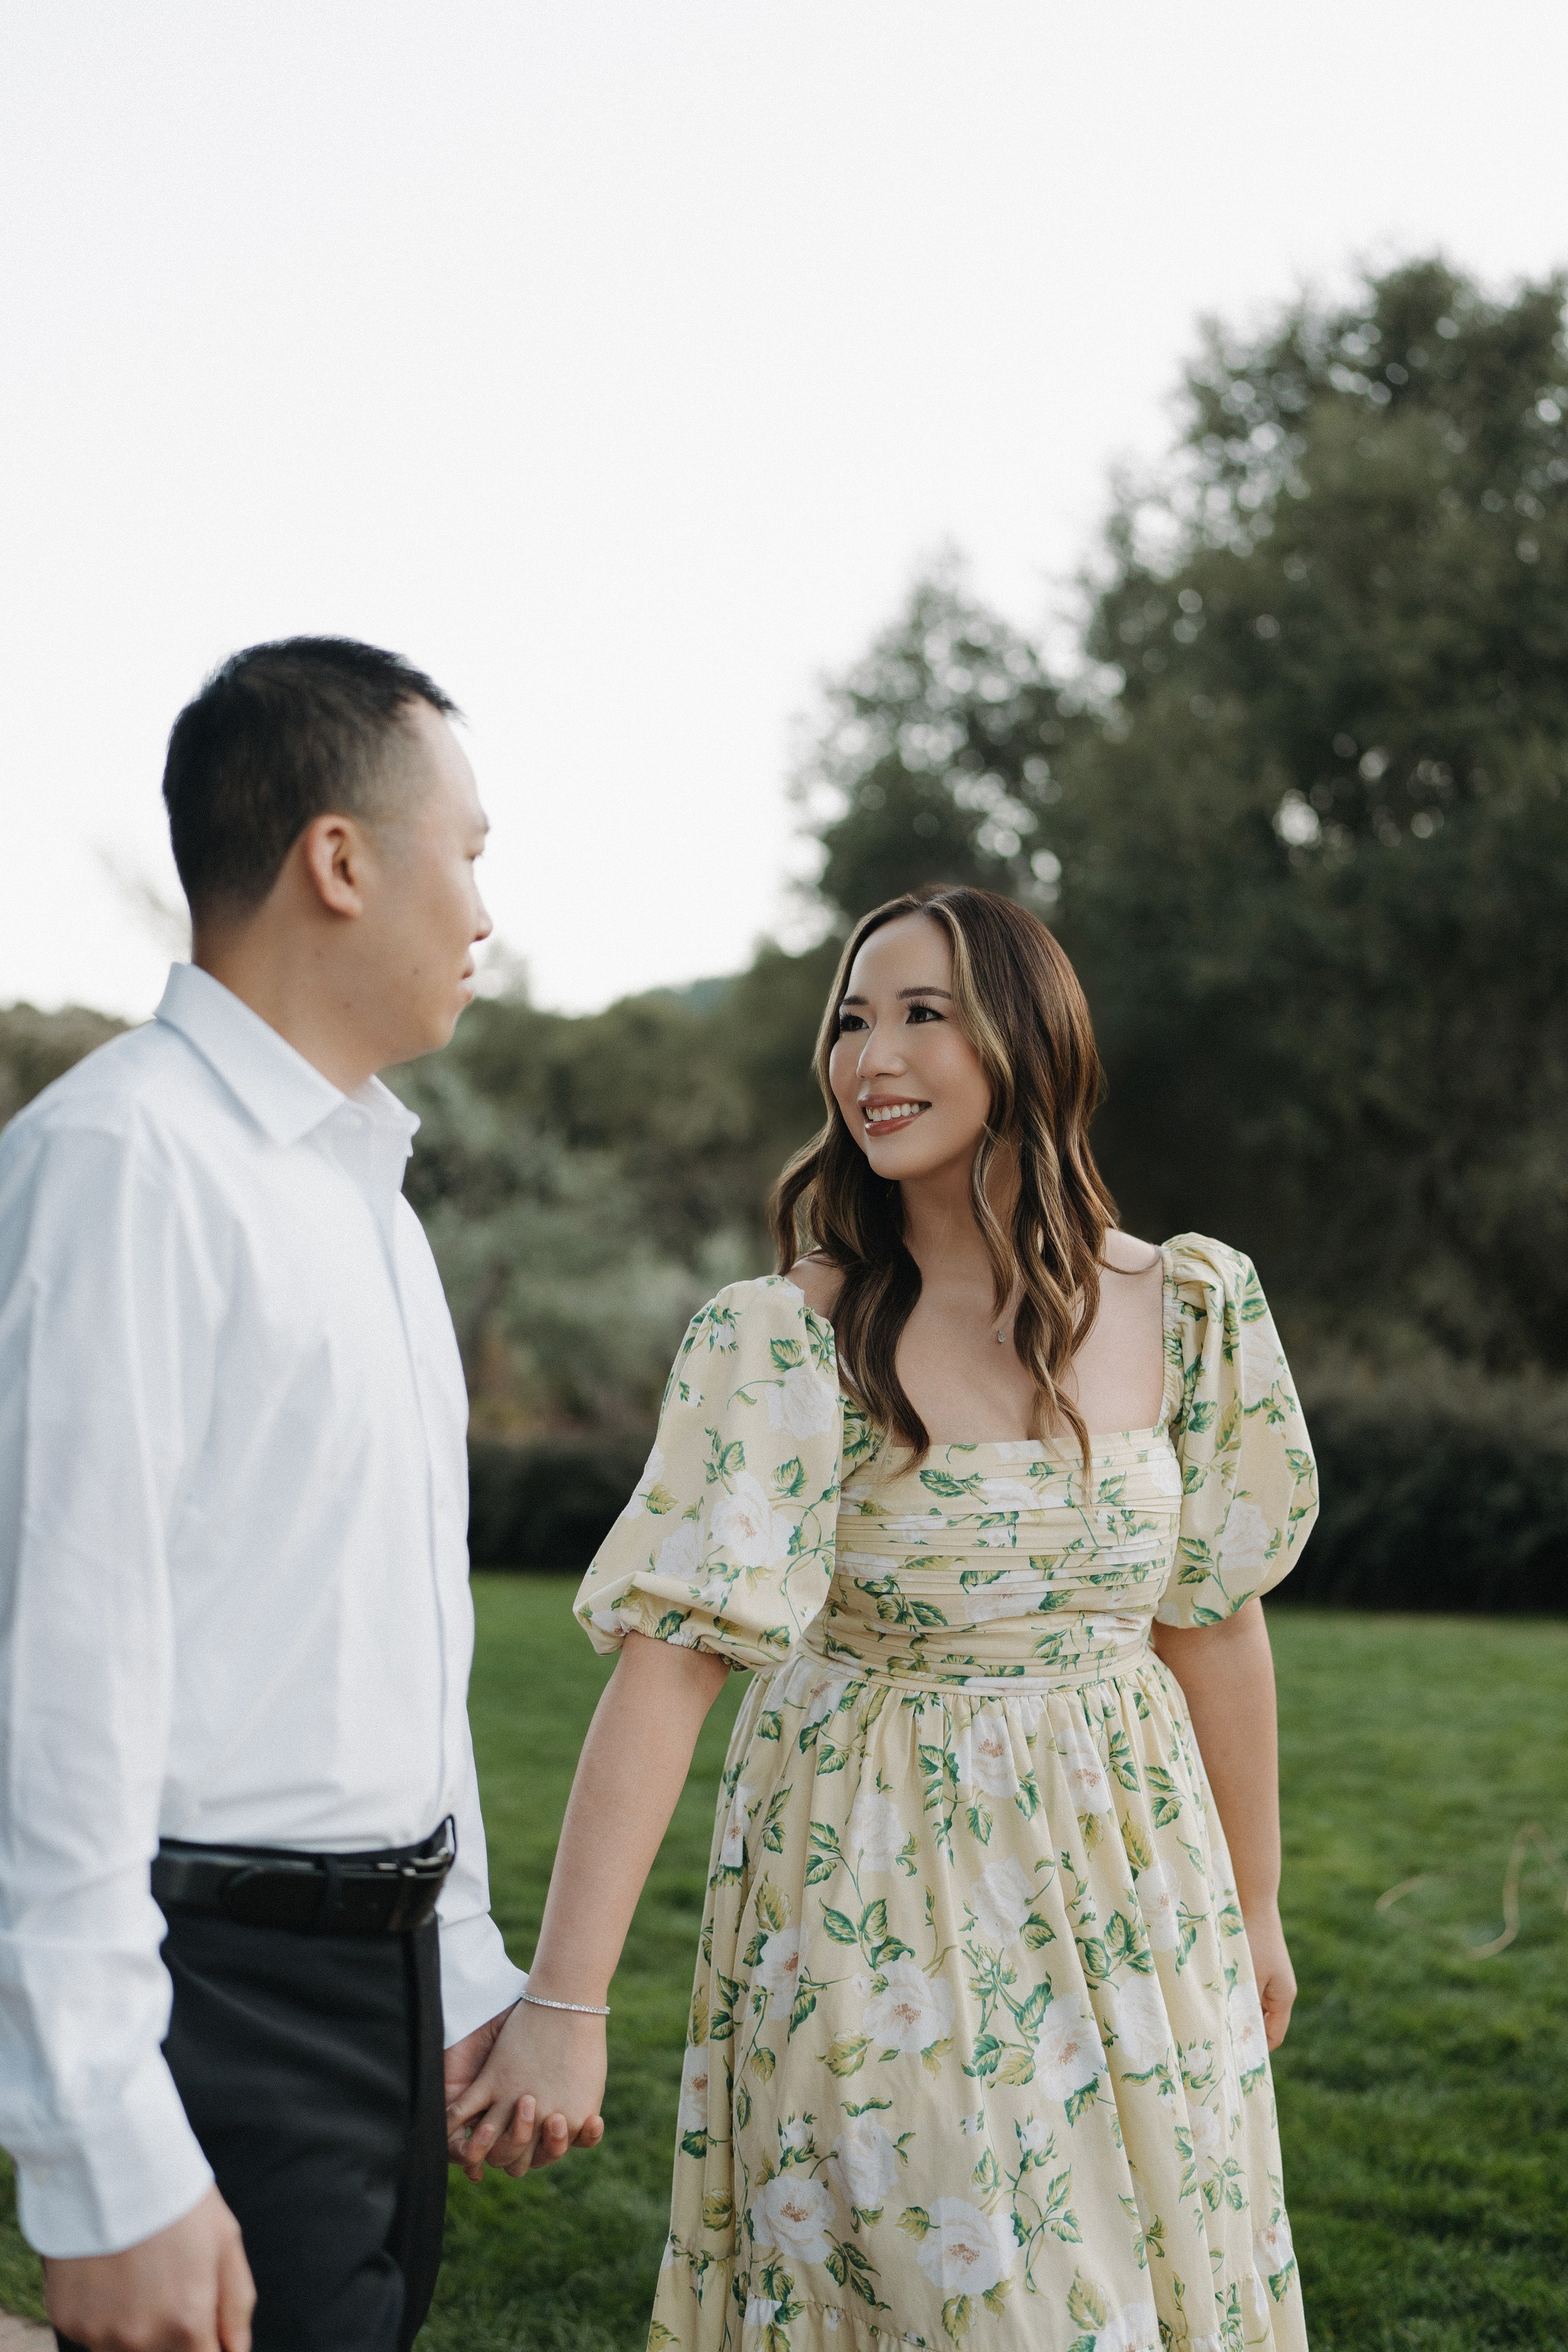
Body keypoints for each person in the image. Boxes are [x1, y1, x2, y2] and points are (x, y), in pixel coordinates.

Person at [450, 884, 1317, 2351]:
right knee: (962, 2294)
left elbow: (1212, 1621)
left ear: (1027, 1041)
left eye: (922, 1012)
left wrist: (1250, 1905)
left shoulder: (1192, 1306)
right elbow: (669, 1672)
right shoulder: (786, 1336)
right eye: (851, 1018)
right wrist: (566, 2000)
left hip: (1133, 1897)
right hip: (875, 1894)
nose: (869, 1054)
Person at [0, 639, 596, 2352]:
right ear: (339, 860)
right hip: (212, 2005)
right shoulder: (121, 1167)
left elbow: (399, 1640)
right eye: (467, 851)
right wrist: (106, 2153)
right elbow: (57, 1695)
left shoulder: (369, 1200)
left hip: (381, 1995)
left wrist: (463, 1970)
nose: (484, 910)